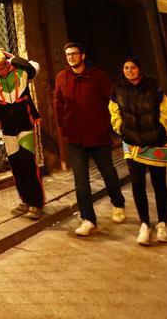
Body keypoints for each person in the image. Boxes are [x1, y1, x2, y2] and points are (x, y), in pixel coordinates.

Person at [54, 41, 126, 236]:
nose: (71, 57)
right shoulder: (62, 77)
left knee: (108, 173)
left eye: (74, 54)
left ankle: (118, 204)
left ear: (82, 55)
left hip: (98, 135)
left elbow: (112, 99)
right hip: (74, 138)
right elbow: (58, 101)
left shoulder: (97, 76)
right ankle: (88, 218)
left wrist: (108, 125)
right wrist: (62, 122)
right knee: (81, 181)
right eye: (68, 54)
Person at [109, 56, 167, 246]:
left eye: (132, 67)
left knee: (159, 184)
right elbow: (114, 113)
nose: (129, 71)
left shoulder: (154, 88)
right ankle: (144, 225)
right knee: (138, 184)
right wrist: (121, 130)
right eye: (126, 67)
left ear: (140, 69)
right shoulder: (118, 90)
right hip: (132, 143)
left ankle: (162, 224)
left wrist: (163, 131)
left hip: (156, 142)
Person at [0, 48, 45, 219]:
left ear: (7, 65)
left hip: (25, 125)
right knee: (16, 165)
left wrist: (9, 56)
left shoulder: (22, 73)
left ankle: (36, 203)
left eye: (1, 68)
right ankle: (25, 200)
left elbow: (32, 66)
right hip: (7, 127)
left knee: (28, 162)